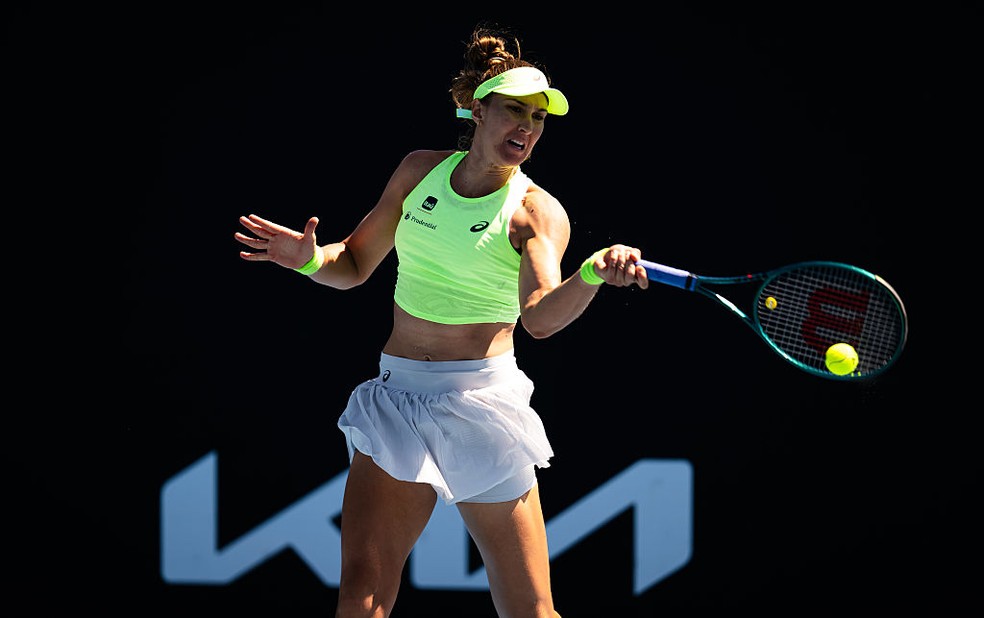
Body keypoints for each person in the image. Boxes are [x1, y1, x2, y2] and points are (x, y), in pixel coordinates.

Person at [234, 24, 649, 618]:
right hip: (398, 397)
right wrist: (307, 261)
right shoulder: (418, 171)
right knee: (361, 595)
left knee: (529, 610)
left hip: (481, 404)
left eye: (538, 118)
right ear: (477, 111)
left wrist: (588, 275)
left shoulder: (535, 213)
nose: (527, 128)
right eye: (514, 111)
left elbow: (539, 319)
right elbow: (351, 263)